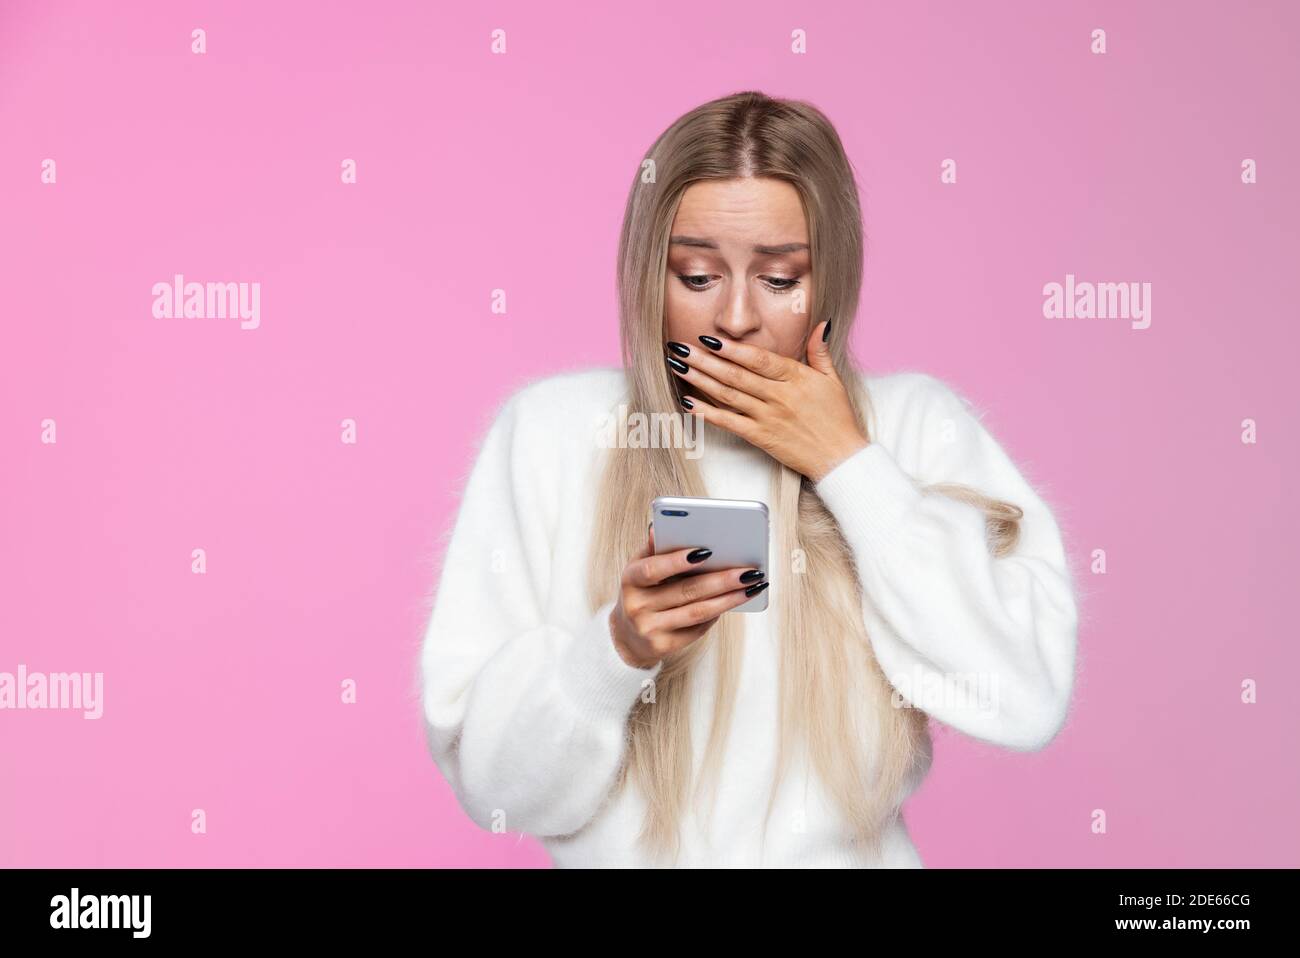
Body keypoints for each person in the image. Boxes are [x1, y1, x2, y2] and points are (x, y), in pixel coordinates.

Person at [418, 91, 1078, 867]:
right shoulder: (553, 433)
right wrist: (614, 653)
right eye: (697, 276)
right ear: (646, 279)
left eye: (779, 278)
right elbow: (494, 794)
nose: (734, 317)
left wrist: (847, 464)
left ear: (828, 279)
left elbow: (1026, 697)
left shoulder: (909, 428)